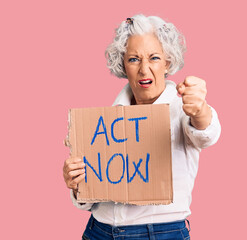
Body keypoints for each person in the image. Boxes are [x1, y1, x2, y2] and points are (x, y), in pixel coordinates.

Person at [62, 14, 221, 240]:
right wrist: (77, 184)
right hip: (99, 231)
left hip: (158, 233)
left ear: (167, 62)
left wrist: (200, 110)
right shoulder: (106, 122)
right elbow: (90, 200)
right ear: (123, 64)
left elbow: (206, 133)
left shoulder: (181, 109)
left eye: (154, 58)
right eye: (134, 59)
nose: (144, 69)